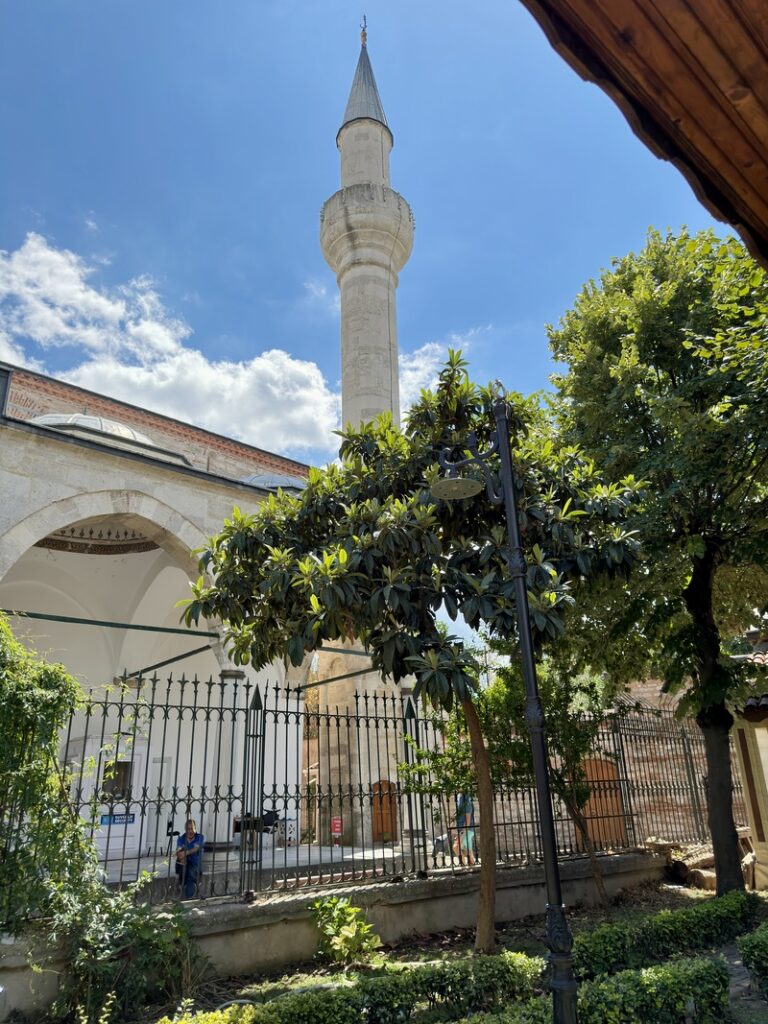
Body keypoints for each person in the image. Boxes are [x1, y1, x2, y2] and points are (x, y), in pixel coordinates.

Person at [176, 818, 204, 898]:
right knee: (184, 870)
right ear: (185, 829)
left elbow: (196, 849)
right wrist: (181, 854)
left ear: (195, 829)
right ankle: (187, 894)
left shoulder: (199, 837)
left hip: (195, 864)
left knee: (190, 874)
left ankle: (189, 897)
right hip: (183, 863)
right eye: (188, 829)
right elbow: (179, 851)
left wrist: (186, 852)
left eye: (192, 828)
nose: (190, 831)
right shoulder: (181, 839)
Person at [453, 792, 476, 866]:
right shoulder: (459, 796)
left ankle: (463, 865)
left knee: (456, 847)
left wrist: (461, 833)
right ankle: (472, 866)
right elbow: (458, 812)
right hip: (463, 828)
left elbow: (468, 819)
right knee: (468, 851)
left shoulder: (467, 799)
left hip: (467, 829)